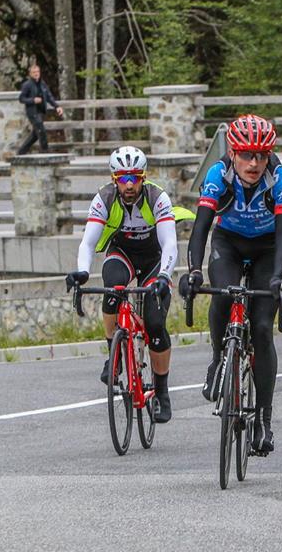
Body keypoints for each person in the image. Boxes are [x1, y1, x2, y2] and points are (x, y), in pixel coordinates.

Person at [181, 114, 282, 455]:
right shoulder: (218, 176)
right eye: (247, 155)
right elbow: (200, 228)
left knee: (261, 328)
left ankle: (263, 420)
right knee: (222, 295)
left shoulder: (281, 180)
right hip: (229, 243)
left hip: (267, 248)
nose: (255, 163)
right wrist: (193, 271)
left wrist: (279, 278)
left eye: (261, 155)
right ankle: (218, 360)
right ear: (233, 153)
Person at [65, 146, 178, 423]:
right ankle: (112, 356)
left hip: (154, 258)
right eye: (124, 178)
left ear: (143, 177)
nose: (130, 184)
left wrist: (164, 276)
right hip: (123, 253)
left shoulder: (157, 197)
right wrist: (81, 271)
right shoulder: (104, 197)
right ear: (115, 179)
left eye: (135, 178)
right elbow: (88, 242)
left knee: (154, 324)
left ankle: (162, 393)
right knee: (112, 289)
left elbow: (170, 242)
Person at [17, 64, 63, 154]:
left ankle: (21, 152)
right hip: (32, 112)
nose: (36, 74)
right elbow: (21, 98)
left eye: (37, 72)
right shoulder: (27, 85)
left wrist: (57, 106)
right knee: (41, 130)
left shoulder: (43, 84)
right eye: (34, 72)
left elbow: (49, 96)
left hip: (41, 111)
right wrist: (33, 100)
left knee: (35, 135)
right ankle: (45, 151)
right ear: (30, 74)